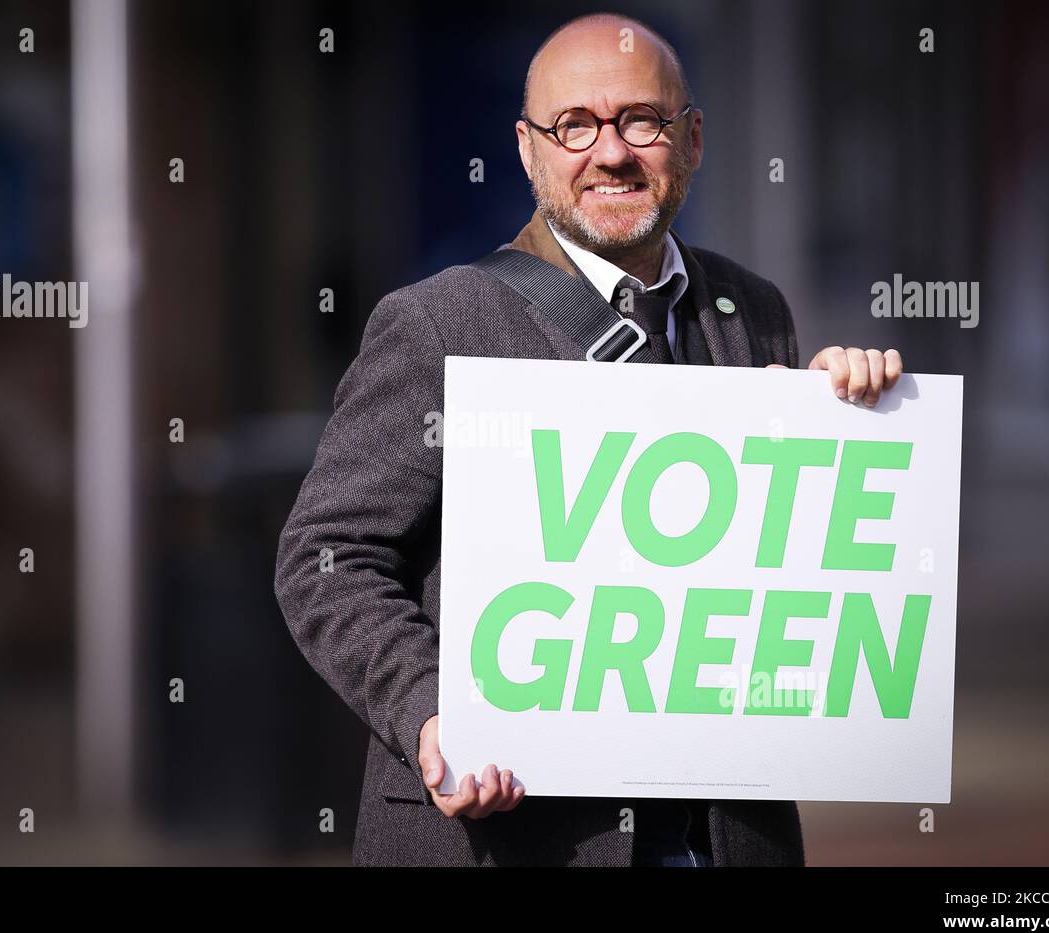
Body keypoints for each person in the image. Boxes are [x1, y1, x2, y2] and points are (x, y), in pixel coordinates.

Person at [274, 12, 902, 866]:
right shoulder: (435, 324)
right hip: (508, 841)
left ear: (692, 140)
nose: (610, 153)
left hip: (719, 841)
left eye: (641, 120)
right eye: (575, 126)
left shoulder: (756, 310)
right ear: (530, 150)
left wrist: (846, 417)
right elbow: (328, 558)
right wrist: (433, 710)